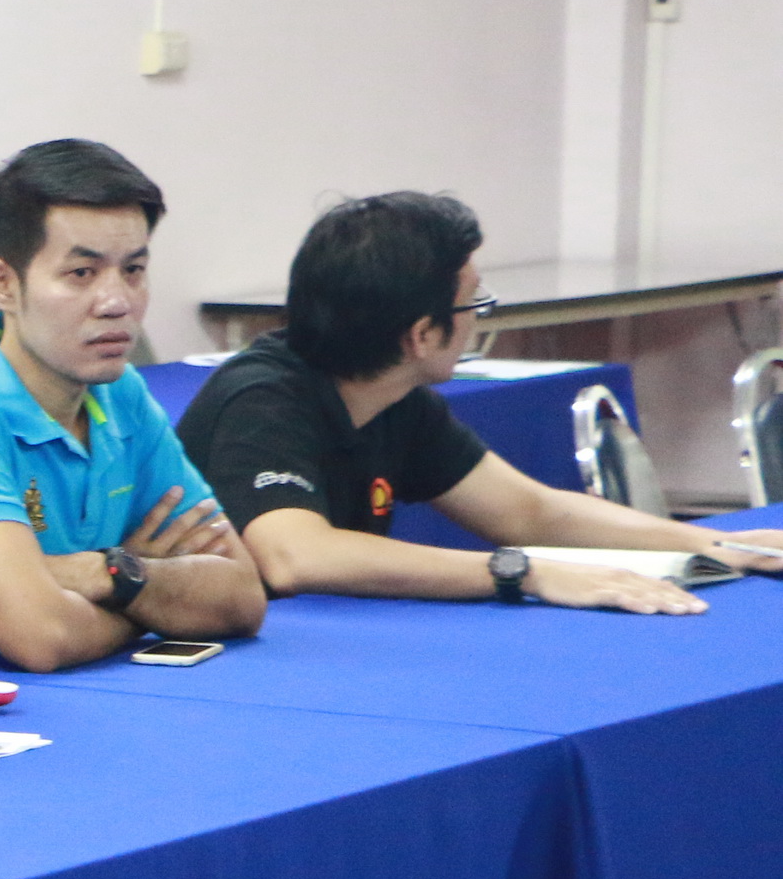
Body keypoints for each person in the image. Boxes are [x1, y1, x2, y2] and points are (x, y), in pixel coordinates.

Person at [178, 191, 783, 608]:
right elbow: (294, 556)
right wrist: (520, 572)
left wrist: (709, 544)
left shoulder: (395, 397)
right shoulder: (261, 401)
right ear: (421, 335)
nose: (478, 318)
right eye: (474, 301)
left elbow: (527, 512)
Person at [0, 138, 268, 675]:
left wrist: (104, 573)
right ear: (3, 285)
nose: (117, 302)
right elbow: (41, 637)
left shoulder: (121, 393)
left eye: (134, 270)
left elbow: (242, 597)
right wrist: (144, 595)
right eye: (81, 274)